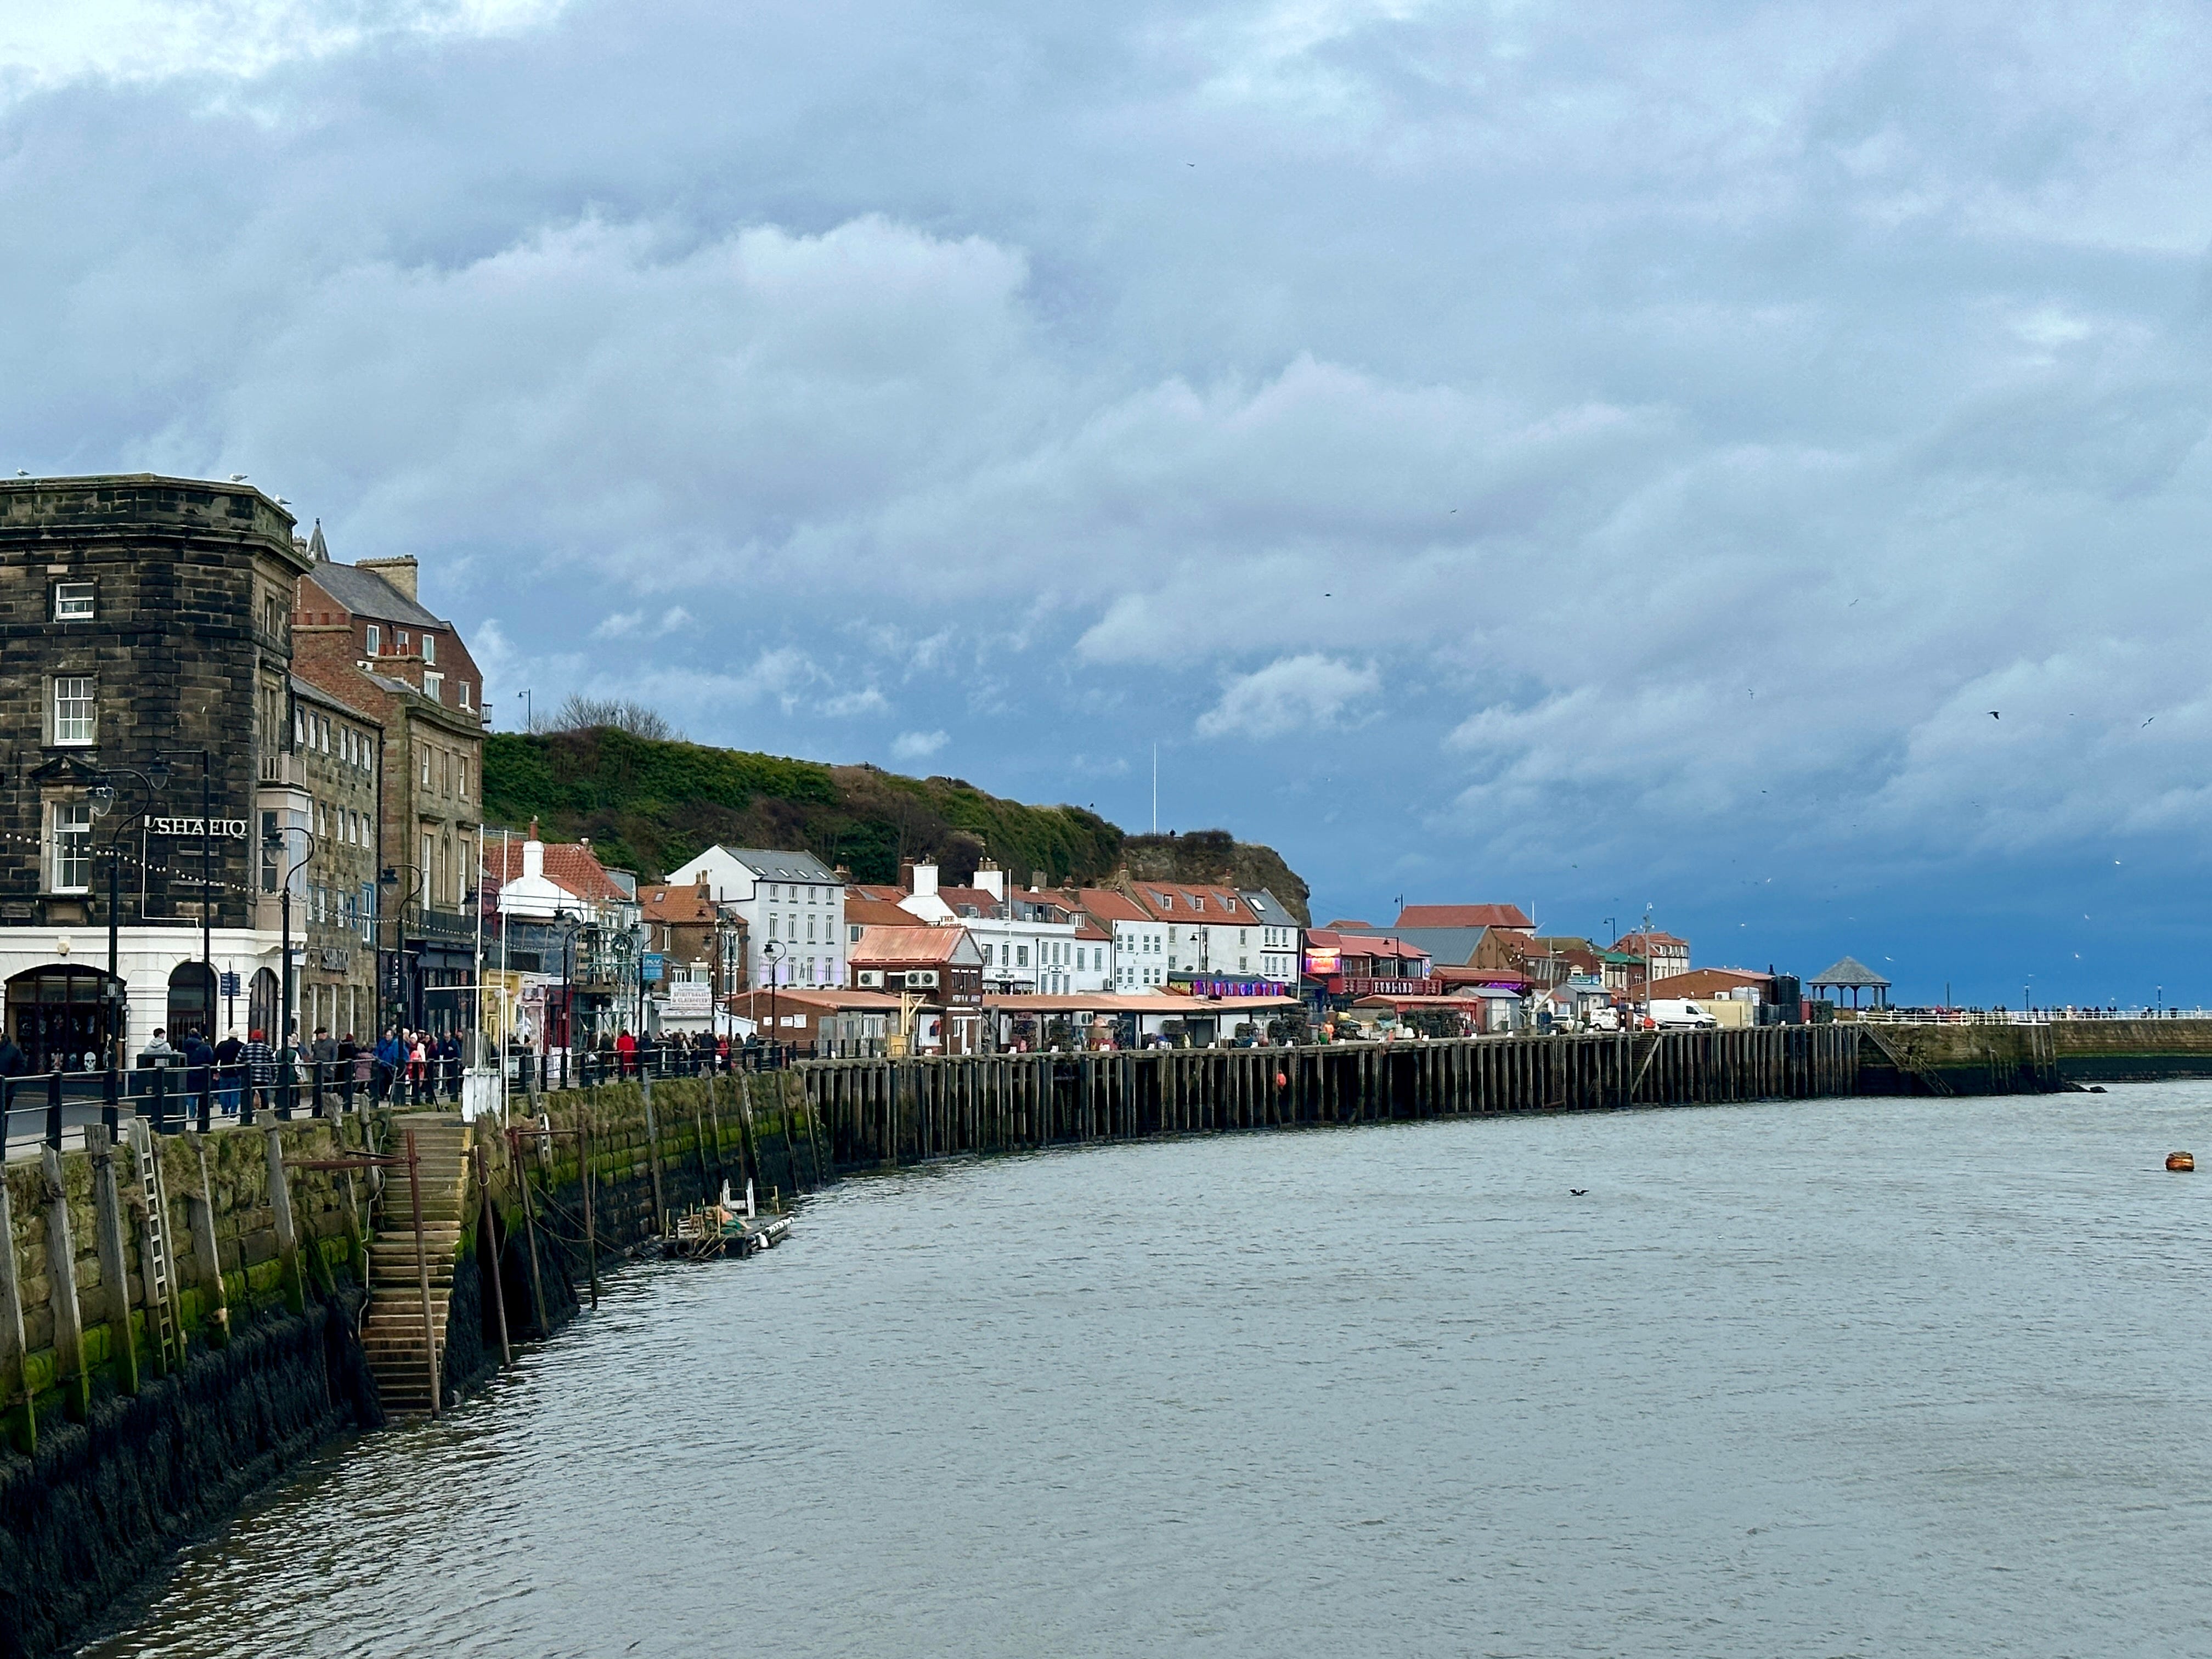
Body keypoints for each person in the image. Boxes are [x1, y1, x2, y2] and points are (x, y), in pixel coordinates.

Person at [183, 1028, 215, 1120]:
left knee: (191, 1094)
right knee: (203, 1093)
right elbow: (211, 1060)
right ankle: (203, 1115)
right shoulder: (205, 1047)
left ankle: (191, 1114)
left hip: (189, 1072)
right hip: (203, 1073)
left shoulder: (185, 1046)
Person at [244, 1028, 275, 1118]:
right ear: (262, 1038)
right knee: (264, 1094)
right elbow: (273, 1063)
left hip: (250, 1076)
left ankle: (249, 1113)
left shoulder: (246, 1048)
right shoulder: (267, 1049)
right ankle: (265, 1113)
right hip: (263, 1076)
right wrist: (274, 1075)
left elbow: (238, 1060)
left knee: (250, 1094)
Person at [213, 1029, 245, 1116]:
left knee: (224, 1092)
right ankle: (233, 1112)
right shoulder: (241, 1046)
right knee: (235, 1093)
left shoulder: (221, 1045)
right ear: (237, 1036)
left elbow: (215, 1059)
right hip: (236, 1073)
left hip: (224, 1071)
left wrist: (215, 1071)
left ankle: (225, 1110)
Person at [311, 1026, 337, 1113]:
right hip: (318, 1068)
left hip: (328, 1068)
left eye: (318, 1035)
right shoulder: (317, 1042)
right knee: (317, 1088)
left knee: (328, 1088)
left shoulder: (332, 1042)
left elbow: (335, 1055)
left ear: (323, 1034)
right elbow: (315, 1053)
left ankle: (328, 1109)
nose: (317, 1037)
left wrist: (333, 1066)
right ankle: (317, 1108)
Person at [336, 1031, 358, 1113]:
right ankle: (346, 1095)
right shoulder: (351, 1046)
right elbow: (353, 1055)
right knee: (347, 1080)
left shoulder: (341, 1046)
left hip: (340, 1064)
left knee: (340, 1079)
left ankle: (339, 1091)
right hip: (348, 1066)